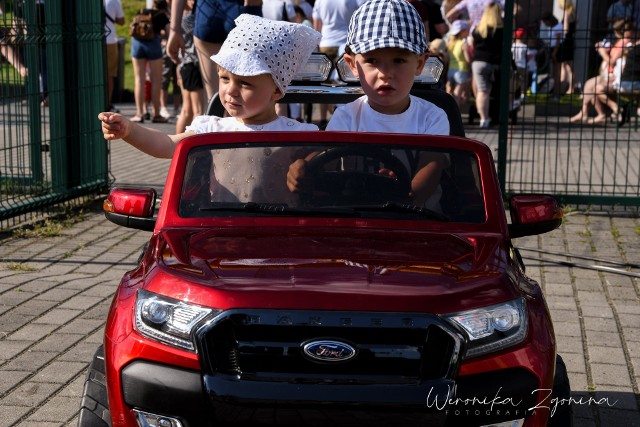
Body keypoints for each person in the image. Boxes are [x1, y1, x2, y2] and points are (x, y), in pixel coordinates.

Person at [287, 0, 450, 211]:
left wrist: (405, 198)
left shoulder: (432, 117)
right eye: (372, 60)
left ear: (419, 64)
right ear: (352, 64)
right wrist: (304, 169)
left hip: (421, 225)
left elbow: (431, 167)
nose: (385, 73)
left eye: (399, 60)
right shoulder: (346, 116)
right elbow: (326, 159)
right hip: (356, 220)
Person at [99, 14, 321, 160]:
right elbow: (166, 144)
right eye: (224, 78)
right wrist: (129, 130)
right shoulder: (213, 130)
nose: (230, 90)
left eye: (244, 82)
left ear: (277, 90)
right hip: (223, 229)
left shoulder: (298, 136)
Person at [166, 0, 263, 101]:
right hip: (242, 8)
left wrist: (175, 29)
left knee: (213, 98)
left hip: (208, 11)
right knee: (246, 98)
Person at [311, 0, 363, 128]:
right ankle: (346, 115)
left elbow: (317, 23)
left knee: (323, 83)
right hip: (345, 42)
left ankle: (323, 119)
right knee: (346, 82)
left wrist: (317, 44)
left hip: (326, 43)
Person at [130, 0, 171, 123]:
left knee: (139, 80)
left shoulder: (142, 11)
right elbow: (169, 32)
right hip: (153, 44)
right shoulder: (162, 16)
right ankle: (157, 114)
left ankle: (139, 114)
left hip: (137, 44)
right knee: (156, 80)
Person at [470, 1, 503, 128]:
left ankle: (484, 119)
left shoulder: (478, 29)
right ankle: (497, 117)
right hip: (495, 62)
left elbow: (472, 45)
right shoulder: (501, 29)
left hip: (478, 62)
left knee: (482, 91)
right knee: (497, 91)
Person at [175, 0, 206, 133]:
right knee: (198, 111)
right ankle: (194, 149)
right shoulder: (189, 19)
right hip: (193, 65)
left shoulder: (178, 20)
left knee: (187, 110)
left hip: (185, 65)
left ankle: (176, 148)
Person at [104, 0, 125, 112]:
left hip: (93, 40)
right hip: (110, 40)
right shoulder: (114, 1)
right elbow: (122, 21)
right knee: (109, 74)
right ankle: (108, 103)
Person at [446, 20, 472, 108]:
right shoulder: (463, 44)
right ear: (462, 31)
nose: (468, 32)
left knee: (450, 93)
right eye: (467, 31)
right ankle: (455, 115)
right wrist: (470, 67)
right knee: (457, 94)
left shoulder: (450, 44)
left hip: (450, 71)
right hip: (461, 70)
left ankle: (447, 111)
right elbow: (468, 59)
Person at [555, 0, 577, 96]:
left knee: (564, 65)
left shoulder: (566, 14)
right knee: (569, 66)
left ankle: (562, 87)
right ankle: (571, 87)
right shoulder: (573, 13)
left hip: (565, 41)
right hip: (571, 40)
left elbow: (565, 30)